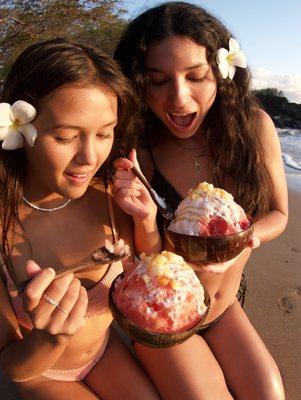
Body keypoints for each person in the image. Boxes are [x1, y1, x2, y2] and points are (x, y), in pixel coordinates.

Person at [113, 2, 288, 399]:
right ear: (138, 82)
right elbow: (141, 264)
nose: (179, 97)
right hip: (163, 320)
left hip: (225, 308)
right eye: (157, 81)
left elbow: (278, 213)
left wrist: (245, 239)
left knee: (269, 394)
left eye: (196, 76)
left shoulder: (254, 128)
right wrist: (143, 219)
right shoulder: (138, 152)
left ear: (222, 73)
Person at [0, 38, 161, 400]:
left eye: (104, 133)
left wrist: (146, 221)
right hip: (41, 373)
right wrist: (50, 338)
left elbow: (146, 269)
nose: (90, 157)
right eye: (67, 136)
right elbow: (12, 364)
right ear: (18, 129)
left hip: (105, 353)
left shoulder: (110, 197)